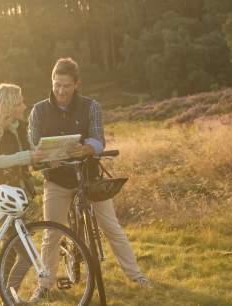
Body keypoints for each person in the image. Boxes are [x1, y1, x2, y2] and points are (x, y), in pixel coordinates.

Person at [27, 58, 151, 302]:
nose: (60, 91)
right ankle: (44, 284)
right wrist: (43, 158)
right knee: (52, 233)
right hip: (56, 180)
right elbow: (32, 145)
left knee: (111, 227)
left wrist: (88, 149)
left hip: (88, 177)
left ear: (76, 84)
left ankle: (136, 276)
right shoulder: (39, 110)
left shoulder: (91, 106)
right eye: (56, 85)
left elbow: (98, 138)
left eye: (66, 86)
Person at [0, 83, 47, 297]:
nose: (24, 106)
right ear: (8, 106)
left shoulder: (21, 127)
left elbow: (32, 155)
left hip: (20, 195)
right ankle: (9, 296)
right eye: (19, 102)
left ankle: (5, 296)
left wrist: (48, 156)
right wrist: (26, 157)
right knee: (25, 254)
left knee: (11, 245)